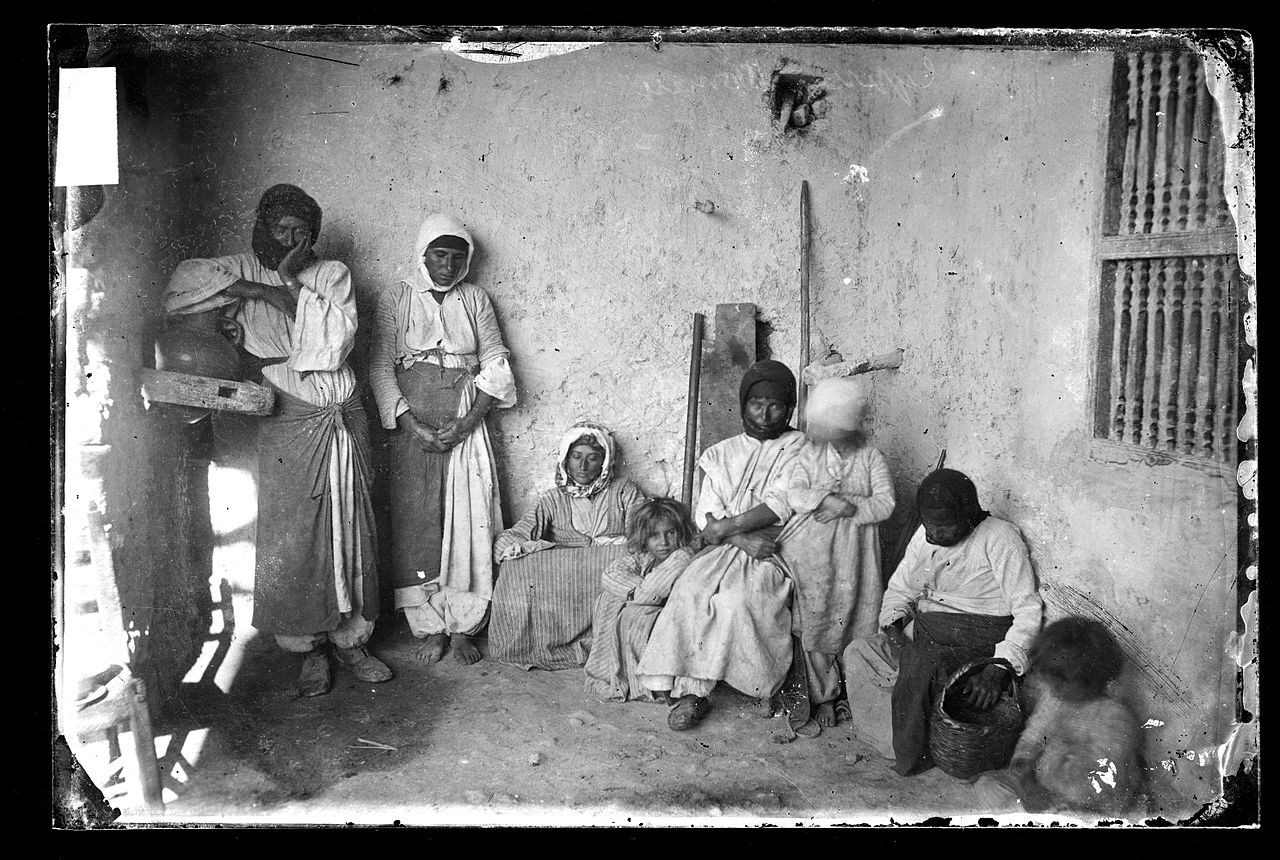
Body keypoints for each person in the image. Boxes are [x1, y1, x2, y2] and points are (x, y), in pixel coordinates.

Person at [163, 183, 390, 697]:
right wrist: (249, 291)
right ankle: (307, 648)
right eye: (278, 228)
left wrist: (278, 284)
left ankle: (353, 641)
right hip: (286, 402)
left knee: (349, 520)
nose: (287, 239)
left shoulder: (331, 274)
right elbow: (181, 286)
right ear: (259, 225)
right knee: (294, 531)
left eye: (300, 232)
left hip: (341, 401)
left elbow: (335, 341)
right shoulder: (235, 265)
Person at [368, 213, 517, 666]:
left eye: (457, 257)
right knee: (418, 523)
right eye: (439, 255)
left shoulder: (475, 299)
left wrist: (467, 423)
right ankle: (429, 624)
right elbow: (378, 366)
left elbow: (495, 361)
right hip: (412, 426)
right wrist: (411, 425)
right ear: (422, 255)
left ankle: (463, 627)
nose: (448, 265)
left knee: (468, 521)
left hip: (463, 420)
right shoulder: (396, 296)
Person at [636, 360, 807, 731]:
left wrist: (728, 530)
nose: (764, 413)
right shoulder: (722, 452)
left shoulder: (800, 448)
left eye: (776, 405)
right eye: (756, 403)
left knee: (735, 602)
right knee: (690, 593)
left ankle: (753, 684)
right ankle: (690, 693)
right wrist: (738, 536)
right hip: (734, 546)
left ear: (790, 409)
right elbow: (706, 513)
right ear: (743, 404)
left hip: (774, 547)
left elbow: (781, 503)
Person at [841, 468, 1044, 775]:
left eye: (945, 526)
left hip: (972, 640)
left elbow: (1028, 611)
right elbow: (900, 590)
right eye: (928, 524)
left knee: (922, 665)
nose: (934, 534)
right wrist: (894, 629)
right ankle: (896, 738)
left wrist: (997, 668)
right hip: (924, 632)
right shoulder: (926, 536)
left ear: (969, 514)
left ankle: (914, 748)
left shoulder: (1000, 538)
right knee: (858, 650)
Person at [772, 376, 895, 733]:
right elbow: (794, 493)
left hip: (857, 554)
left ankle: (852, 694)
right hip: (813, 550)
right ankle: (824, 693)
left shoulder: (871, 458)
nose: (826, 435)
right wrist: (823, 500)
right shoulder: (808, 455)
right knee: (817, 615)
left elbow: (885, 503)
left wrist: (849, 507)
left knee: (857, 614)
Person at [489, 421, 647, 669]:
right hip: (568, 578)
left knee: (629, 558)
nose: (583, 466)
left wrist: (613, 546)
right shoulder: (553, 498)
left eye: (593, 458)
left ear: (605, 462)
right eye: (576, 456)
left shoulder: (623, 491)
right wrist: (509, 546)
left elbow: (644, 533)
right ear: (566, 458)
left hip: (609, 572)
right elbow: (520, 532)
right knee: (515, 565)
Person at [973, 617, 1142, 816]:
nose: (1052, 688)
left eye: (1060, 681)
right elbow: (1032, 736)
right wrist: (1024, 773)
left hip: (1087, 803)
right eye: (1049, 678)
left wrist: (1047, 795)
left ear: (1092, 680)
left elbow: (1100, 781)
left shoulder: (1114, 718)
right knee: (987, 786)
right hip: (1042, 784)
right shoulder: (1055, 699)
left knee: (1066, 816)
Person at [583, 497, 698, 703]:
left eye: (670, 533)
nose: (663, 542)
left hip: (674, 619)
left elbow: (650, 594)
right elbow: (610, 574)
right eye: (654, 535)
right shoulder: (646, 557)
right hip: (648, 605)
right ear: (644, 537)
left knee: (630, 611)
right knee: (608, 598)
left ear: (680, 533)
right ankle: (615, 668)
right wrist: (635, 592)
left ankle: (653, 683)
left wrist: (636, 594)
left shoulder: (681, 557)